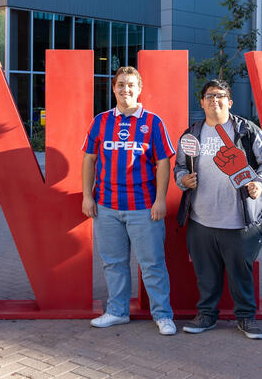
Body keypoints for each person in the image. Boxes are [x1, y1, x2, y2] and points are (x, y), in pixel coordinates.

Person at [173, 79, 262, 339]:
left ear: (229, 102)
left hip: (239, 220)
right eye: (209, 96)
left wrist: (260, 184)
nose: (214, 100)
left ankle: (246, 318)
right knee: (205, 274)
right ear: (201, 102)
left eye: (220, 96)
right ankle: (206, 315)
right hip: (201, 220)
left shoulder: (247, 131)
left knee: (241, 273)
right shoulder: (192, 133)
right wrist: (182, 180)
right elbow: (179, 167)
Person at [81, 66, 177, 336]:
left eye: (131, 84)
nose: (125, 89)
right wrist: (88, 196)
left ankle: (163, 315)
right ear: (113, 88)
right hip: (107, 206)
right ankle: (117, 312)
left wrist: (160, 200)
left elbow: (163, 162)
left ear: (139, 89)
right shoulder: (100, 121)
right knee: (113, 263)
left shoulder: (154, 122)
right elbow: (89, 159)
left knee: (153, 264)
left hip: (144, 207)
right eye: (121, 84)